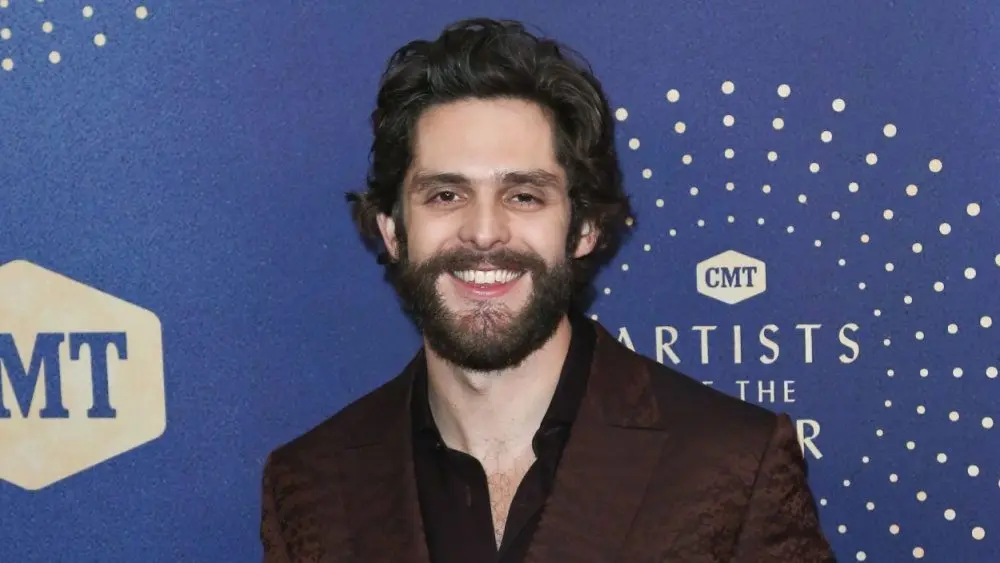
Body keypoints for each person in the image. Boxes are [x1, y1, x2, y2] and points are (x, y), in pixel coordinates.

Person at [259, 17, 836, 563]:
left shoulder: (732, 465)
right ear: (392, 231)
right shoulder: (309, 485)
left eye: (524, 196)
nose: (484, 232)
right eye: (446, 195)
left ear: (583, 229)